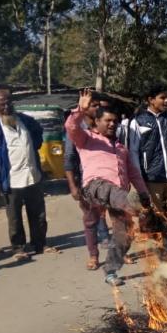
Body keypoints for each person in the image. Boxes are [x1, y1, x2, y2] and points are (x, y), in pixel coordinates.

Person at [66, 89, 151, 286]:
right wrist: (81, 109)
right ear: (96, 122)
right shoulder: (86, 138)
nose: (112, 124)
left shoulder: (121, 148)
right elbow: (71, 127)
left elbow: (134, 173)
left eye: (115, 121)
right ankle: (94, 254)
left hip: (118, 195)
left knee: (125, 233)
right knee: (114, 203)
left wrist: (144, 194)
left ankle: (111, 271)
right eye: (108, 121)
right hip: (96, 187)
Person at [0, 89, 50, 261]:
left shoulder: (25, 121)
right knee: (14, 217)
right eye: (2, 103)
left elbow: (38, 134)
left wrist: (34, 147)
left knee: (38, 214)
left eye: (9, 102)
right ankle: (18, 247)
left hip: (32, 176)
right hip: (11, 181)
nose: (6, 106)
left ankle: (39, 243)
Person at [63, 93, 110, 270]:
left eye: (99, 105)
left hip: (108, 182)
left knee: (116, 218)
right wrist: (73, 186)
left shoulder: (106, 125)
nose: (97, 108)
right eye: (93, 105)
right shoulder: (76, 129)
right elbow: (68, 158)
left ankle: (118, 252)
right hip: (86, 182)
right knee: (91, 220)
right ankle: (93, 256)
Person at [129, 85, 167, 220]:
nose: (166, 101)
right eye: (162, 98)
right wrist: (139, 176)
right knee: (158, 218)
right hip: (152, 177)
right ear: (151, 100)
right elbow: (133, 152)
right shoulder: (138, 121)